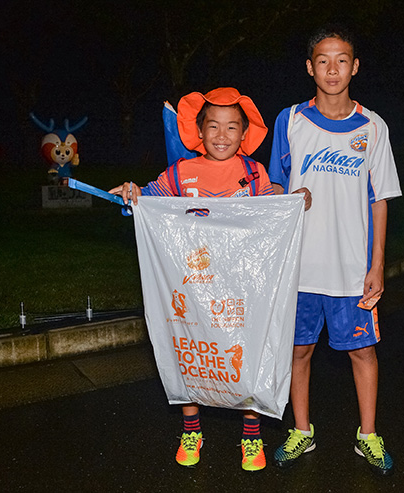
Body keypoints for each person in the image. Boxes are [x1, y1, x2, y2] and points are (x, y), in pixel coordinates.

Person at [110, 87, 310, 472]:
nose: (222, 135)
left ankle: (251, 436)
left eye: (232, 126)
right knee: (190, 350)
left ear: (244, 133)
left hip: (241, 287)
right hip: (192, 284)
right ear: (199, 131)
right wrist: (133, 193)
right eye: (213, 126)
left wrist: (293, 200)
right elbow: (151, 198)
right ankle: (191, 430)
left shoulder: (254, 173)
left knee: (246, 354)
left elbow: (271, 210)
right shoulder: (180, 173)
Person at [267, 25, 402, 476]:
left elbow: (380, 200)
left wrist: (377, 265)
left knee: (362, 352)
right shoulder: (290, 120)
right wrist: (287, 198)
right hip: (299, 268)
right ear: (309, 68)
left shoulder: (373, 127)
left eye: (341, 60)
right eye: (322, 60)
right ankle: (301, 430)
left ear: (355, 66)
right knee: (298, 352)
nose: (332, 69)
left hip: (351, 269)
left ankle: (369, 436)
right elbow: (272, 188)